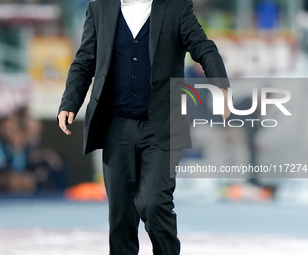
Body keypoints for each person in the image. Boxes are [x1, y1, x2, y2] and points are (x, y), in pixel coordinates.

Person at [58, 0, 230, 254]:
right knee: (121, 218)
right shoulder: (99, 8)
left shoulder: (176, 7)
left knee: (154, 203)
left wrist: (221, 86)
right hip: (116, 127)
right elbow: (85, 61)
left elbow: (204, 47)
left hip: (163, 125)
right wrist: (70, 102)